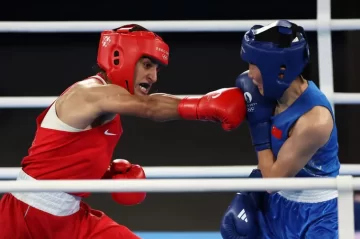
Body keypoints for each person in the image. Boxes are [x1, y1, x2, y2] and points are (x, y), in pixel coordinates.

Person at [0, 24, 247, 239]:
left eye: (157, 69)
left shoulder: (110, 102)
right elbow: (149, 107)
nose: (153, 76)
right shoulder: (89, 93)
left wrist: (105, 175)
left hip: (70, 216)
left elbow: (61, 156)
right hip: (28, 213)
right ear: (120, 57)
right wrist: (203, 106)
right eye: (148, 65)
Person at [220, 20, 340, 238]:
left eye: (254, 65)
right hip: (278, 202)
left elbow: (274, 180)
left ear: (278, 68)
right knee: (235, 229)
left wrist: (258, 124)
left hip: (316, 215)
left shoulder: (314, 120)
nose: (250, 74)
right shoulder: (270, 93)